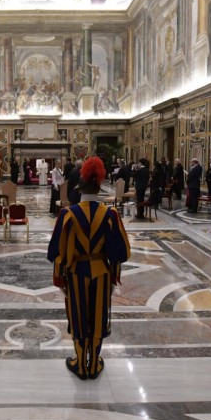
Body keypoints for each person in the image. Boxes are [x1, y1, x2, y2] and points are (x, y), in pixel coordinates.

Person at [48, 156, 130, 379]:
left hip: (76, 273)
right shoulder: (110, 214)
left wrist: (59, 279)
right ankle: (93, 363)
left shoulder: (67, 214)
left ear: (79, 189)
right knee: (98, 317)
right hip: (101, 272)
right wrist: (113, 278)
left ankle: (80, 364)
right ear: (99, 188)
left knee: (78, 317)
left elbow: (55, 252)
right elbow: (120, 253)